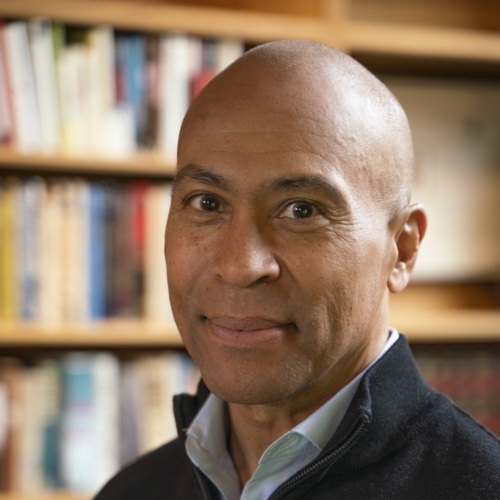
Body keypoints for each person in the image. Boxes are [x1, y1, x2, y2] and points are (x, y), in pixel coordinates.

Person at [94, 40, 499, 500]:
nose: (240, 265)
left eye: (302, 211)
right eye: (206, 203)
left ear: (402, 249)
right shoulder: (131, 492)